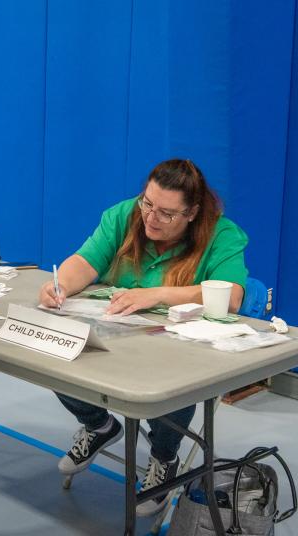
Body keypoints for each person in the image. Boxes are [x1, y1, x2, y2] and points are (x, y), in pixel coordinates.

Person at [39, 158, 248, 517]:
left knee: (175, 380)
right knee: (56, 347)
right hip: (119, 334)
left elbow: (231, 295)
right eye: (147, 203)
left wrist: (159, 294)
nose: (151, 217)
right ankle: (99, 425)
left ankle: (164, 457)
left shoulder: (221, 235)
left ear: (192, 213)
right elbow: (84, 262)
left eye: (167, 213)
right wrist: (58, 286)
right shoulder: (124, 216)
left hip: (175, 347)